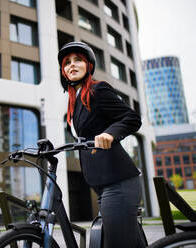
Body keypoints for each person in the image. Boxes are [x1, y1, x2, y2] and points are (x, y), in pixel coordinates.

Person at [58, 41, 145, 248]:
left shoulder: (98, 90)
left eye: (77, 60)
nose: (72, 65)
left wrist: (110, 134)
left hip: (119, 181)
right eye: (67, 63)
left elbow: (131, 118)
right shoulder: (74, 103)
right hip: (101, 185)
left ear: (88, 65)